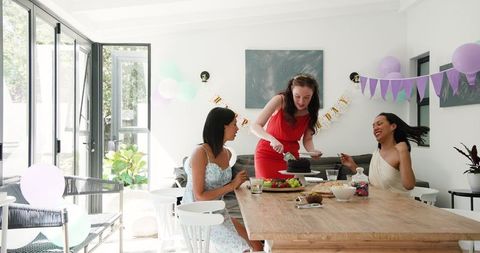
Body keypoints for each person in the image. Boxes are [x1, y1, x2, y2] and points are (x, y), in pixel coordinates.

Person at [182, 107, 263, 252]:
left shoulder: (227, 154)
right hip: (199, 215)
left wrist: (239, 182)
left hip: (218, 212)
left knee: (257, 245)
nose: (237, 128)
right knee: (243, 249)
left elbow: (221, 185)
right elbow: (199, 196)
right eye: (234, 124)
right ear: (222, 126)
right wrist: (232, 185)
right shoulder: (200, 153)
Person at [251, 74, 323, 179]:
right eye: (297, 96)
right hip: (267, 155)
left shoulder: (311, 111)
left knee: (292, 191)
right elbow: (255, 126)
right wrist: (272, 139)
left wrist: (312, 151)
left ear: (313, 96)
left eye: (307, 98)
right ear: (291, 91)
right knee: (268, 190)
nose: (301, 102)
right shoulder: (279, 100)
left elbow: (307, 139)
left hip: (291, 159)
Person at [340, 112, 430, 193]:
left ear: (393, 126)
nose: (375, 128)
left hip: (399, 208)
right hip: (378, 205)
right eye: (373, 126)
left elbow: (409, 185)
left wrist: (404, 152)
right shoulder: (376, 152)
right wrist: (353, 166)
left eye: (379, 124)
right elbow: (374, 185)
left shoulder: (400, 152)